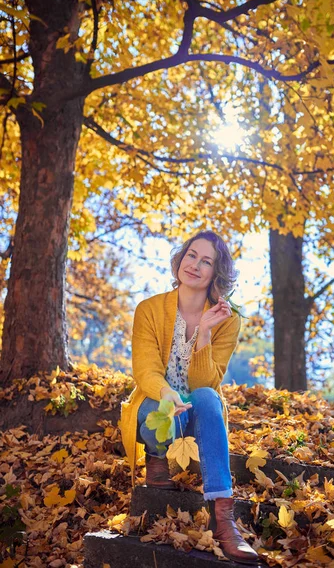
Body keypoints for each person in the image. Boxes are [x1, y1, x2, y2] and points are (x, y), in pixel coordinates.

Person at [120, 231, 259, 565]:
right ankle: (156, 458)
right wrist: (168, 395)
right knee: (156, 408)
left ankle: (222, 517)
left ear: (216, 273)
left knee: (210, 398)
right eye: (191, 255)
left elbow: (206, 382)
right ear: (180, 259)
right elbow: (146, 371)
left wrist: (205, 334)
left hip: (195, 413)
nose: (194, 265)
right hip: (158, 408)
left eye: (206, 261)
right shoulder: (150, 309)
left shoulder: (229, 319)